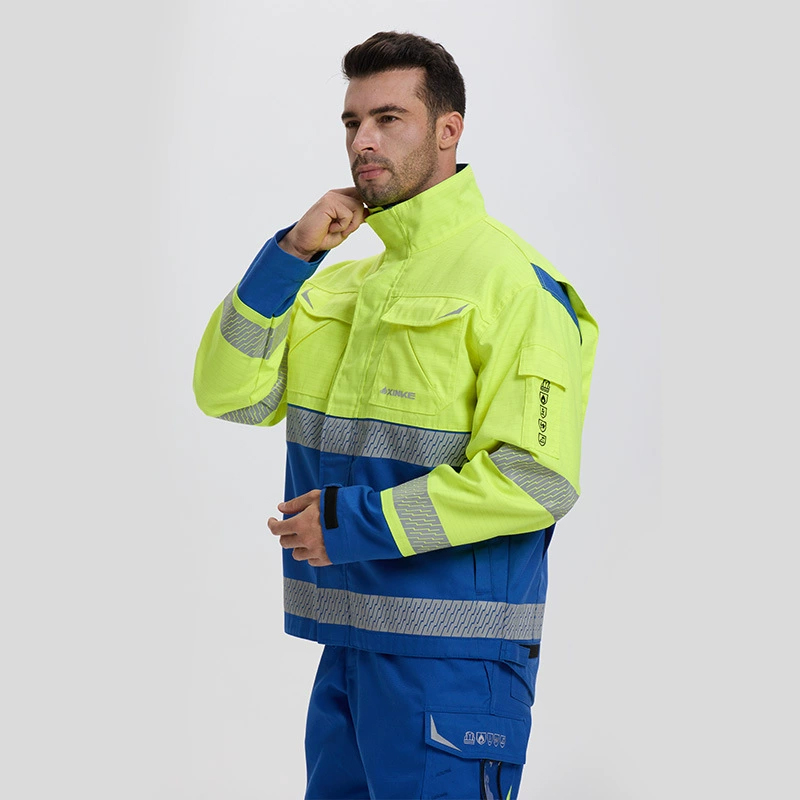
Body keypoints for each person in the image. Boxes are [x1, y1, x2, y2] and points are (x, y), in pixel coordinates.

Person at [194, 30, 598, 800]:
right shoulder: (341, 286)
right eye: (352, 122)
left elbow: (537, 479)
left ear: (449, 130)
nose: (363, 142)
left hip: (453, 670)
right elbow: (228, 393)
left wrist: (349, 526)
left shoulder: (514, 285)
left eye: (388, 119)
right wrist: (292, 254)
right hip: (348, 651)